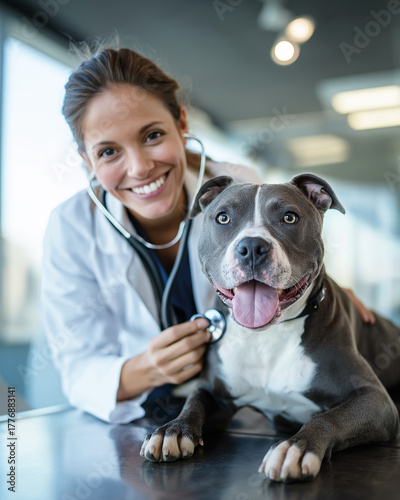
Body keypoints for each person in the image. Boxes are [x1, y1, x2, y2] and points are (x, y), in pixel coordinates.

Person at [41, 44, 374, 424]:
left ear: (182, 124)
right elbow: (77, 368)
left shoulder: (240, 188)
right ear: (86, 161)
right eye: (108, 152)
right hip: (137, 420)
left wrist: (322, 295)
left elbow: (282, 256)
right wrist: (147, 368)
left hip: (234, 418)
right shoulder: (71, 228)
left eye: (151, 135)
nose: (139, 167)